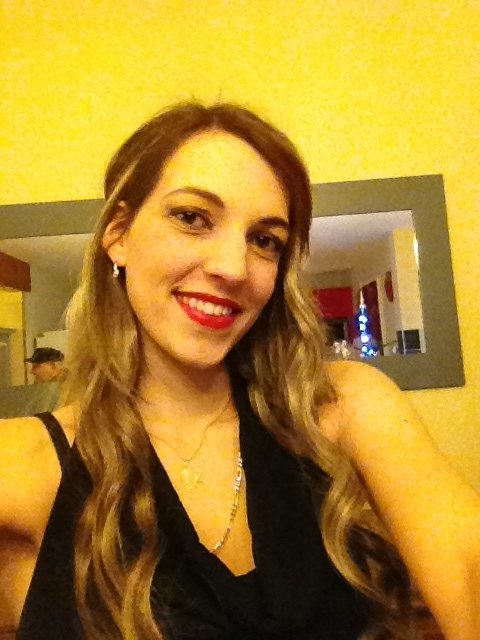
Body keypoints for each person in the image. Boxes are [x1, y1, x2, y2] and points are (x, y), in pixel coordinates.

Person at [0, 102, 479, 640]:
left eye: (264, 240)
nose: (233, 268)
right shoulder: (25, 464)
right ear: (119, 234)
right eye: (191, 218)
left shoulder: (344, 408)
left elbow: (467, 563)